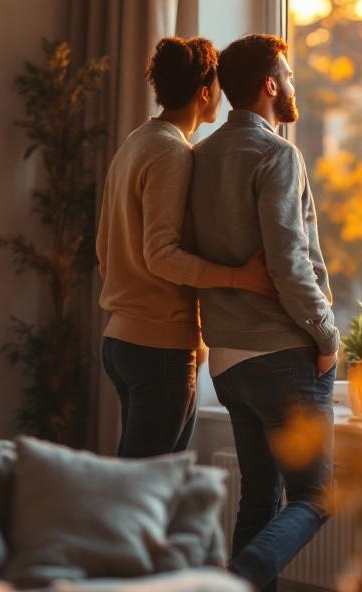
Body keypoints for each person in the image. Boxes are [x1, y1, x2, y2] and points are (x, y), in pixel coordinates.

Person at [187, 34, 339, 592]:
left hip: (227, 360)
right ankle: (237, 577)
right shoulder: (278, 155)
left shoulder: (199, 157)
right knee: (316, 496)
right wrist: (326, 335)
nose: (294, 85)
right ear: (271, 86)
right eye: (289, 75)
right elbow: (288, 259)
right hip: (281, 354)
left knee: (258, 501)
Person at [96, 36, 275, 459]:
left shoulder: (136, 141)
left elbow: (105, 249)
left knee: (139, 479)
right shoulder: (172, 152)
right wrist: (239, 278)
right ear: (204, 92)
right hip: (157, 347)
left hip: (121, 341)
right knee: (148, 484)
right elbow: (161, 255)